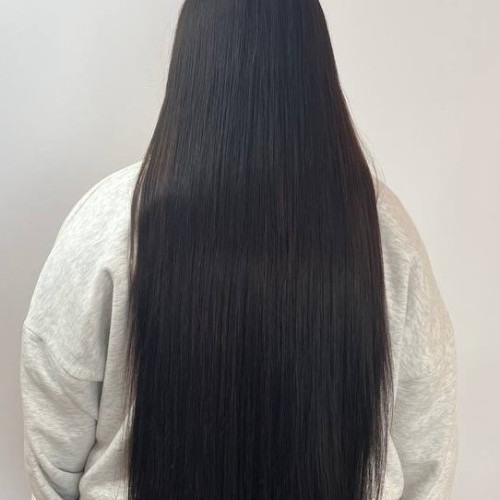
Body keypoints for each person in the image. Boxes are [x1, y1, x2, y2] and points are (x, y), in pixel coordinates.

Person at [20, 0, 458, 499]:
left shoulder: (108, 220)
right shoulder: (382, 230)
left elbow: (54, 440)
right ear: (314, 64)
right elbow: (427, 449)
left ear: (192, 61)